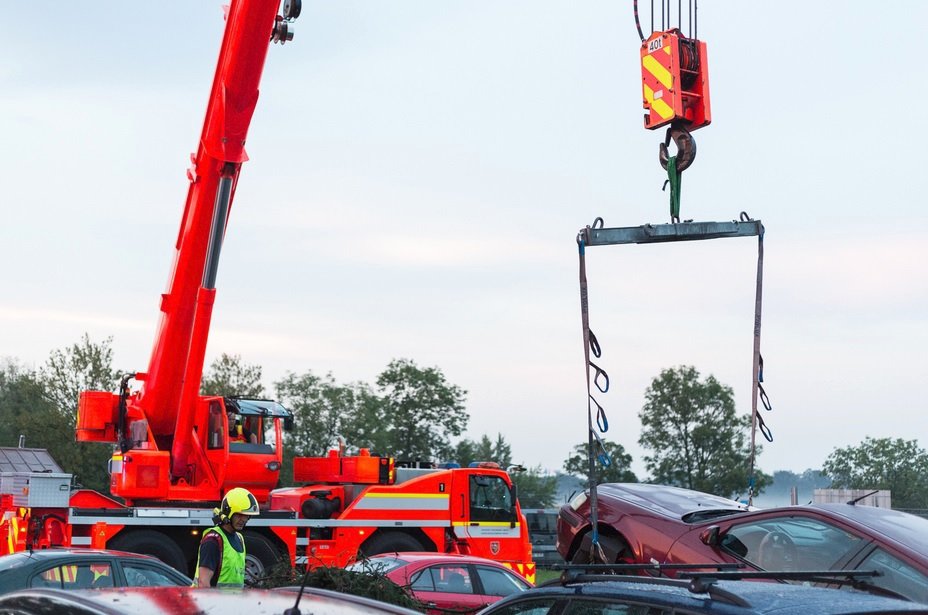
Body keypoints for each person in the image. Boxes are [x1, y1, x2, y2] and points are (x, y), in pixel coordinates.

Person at [193, 487, 260, 588]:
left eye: (246, 516)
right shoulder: (213, 541)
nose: (244, 519)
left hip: (230, 603)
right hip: (211, 602)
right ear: (227, 512)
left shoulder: (239, 538)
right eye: (239, 515)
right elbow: (203, 582)